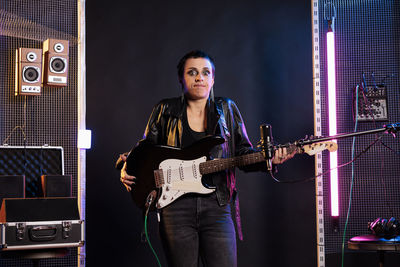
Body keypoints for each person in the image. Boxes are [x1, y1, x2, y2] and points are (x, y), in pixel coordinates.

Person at [118, 50, 294, 267]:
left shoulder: (226, 109)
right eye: (192, 72)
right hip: (175, 209)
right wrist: (124, 166)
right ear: (181, 79)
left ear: (212, 79)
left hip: (217, 206)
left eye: (205, 72)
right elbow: (142, 152)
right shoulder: (164, 109)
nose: (199, 77)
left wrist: (269, 160)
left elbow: (242, 154)